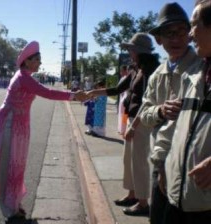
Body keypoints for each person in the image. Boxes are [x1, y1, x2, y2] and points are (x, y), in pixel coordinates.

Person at [0, 41, 86, 222]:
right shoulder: (23, 77)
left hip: (20, 125)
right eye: (37, 60)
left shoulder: (25, 76)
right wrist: (73, 96)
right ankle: (10, 210)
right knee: (8, 166)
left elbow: (44, 91)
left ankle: (14, 204)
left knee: (17, 165)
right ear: (27, 61)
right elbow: (47, 93)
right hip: (10, 123)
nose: (40, 63)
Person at [138, 3, 201, 224]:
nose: (175, 39)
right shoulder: (158, 74)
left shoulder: (202, 69)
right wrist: (160, 111)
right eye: (168, 33)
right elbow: (144, 115)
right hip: (160, 162)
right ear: (159, 40)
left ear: (191, 34)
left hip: (193, 168)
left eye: (181, 32)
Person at [86, 33, 160, 216]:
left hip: (143, 121)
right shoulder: (136, 68)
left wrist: (134, 126)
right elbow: (117, 89)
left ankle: (143, 203)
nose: (129, 52)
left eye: (131, 49)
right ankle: (132, 194)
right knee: (129, 160)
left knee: (139, 162)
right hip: (133, 118)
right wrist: (93, 92)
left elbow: (148, 102)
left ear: (139, 51)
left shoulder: (151, 70)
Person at [160, 1, 211, 223]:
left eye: (193, 25)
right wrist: (165, 164)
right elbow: (179, 130)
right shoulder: (194, 77)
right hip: (178, 195)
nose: (190, 35)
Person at [117, 65, 129, 135]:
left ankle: (123, 129)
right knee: (123, 114)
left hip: (125, 98)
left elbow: (118, 89)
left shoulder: (126, 78)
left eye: (122, 71)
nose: (121, 73)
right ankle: (122, 128)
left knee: (124, 114)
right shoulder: (124, 78)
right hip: (124, 97)